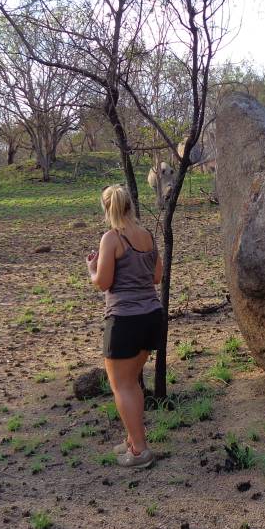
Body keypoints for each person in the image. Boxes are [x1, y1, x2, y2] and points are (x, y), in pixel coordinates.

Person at [86, 184, 164, 468]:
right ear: (130, 205)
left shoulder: (112, 238)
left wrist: (92, 269)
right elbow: (157, 277)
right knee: (132, 383)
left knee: (122, 386)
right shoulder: (147, 236)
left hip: (124, 320)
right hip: (151, 317)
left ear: (107, 209)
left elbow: (103, 283)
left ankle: (140, 451)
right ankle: (133, 439)